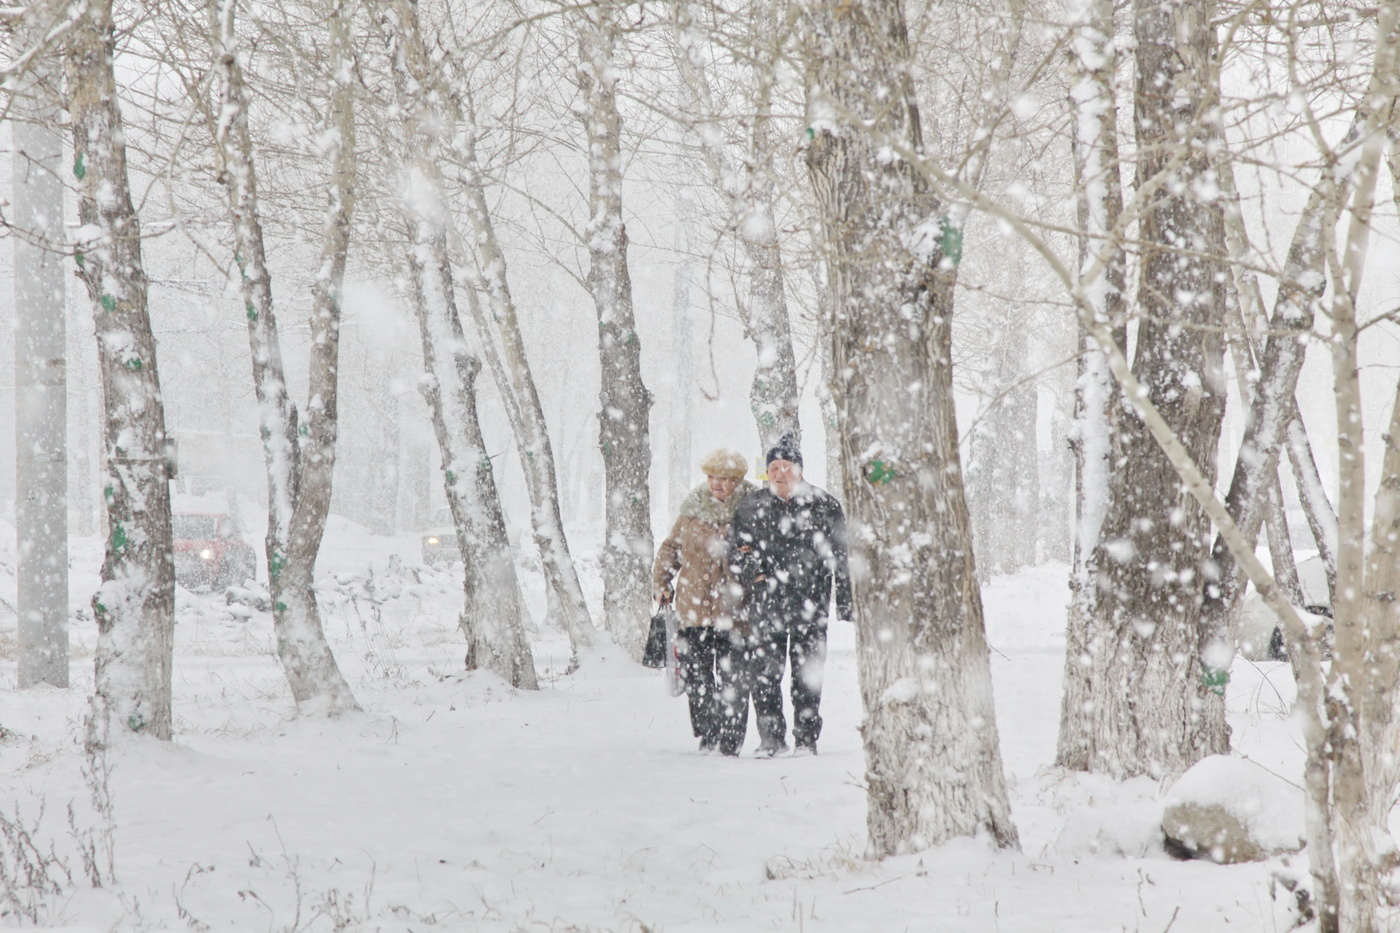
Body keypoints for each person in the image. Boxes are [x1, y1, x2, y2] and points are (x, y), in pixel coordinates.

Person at [728, 433, 852, 757]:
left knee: (807, 678)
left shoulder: (824, 504)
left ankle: (806, 741)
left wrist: (846, 602)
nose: (780, 473)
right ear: (766, 470)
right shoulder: (751, 506)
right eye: (774, 467)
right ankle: (771, 740)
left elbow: (841, 556)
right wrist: (754, 571)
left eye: (787, 466)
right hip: (765, 604)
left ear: (799, 469)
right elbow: (735, 550)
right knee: (765, 676)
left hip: (810, 604)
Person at [652, 449, 758, 756]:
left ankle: (730, 740)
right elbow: (671, 548)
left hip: (736, 610)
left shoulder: (752, 508)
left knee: (733, 680)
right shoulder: (692, 509)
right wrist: (661, 582)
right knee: (698, 677)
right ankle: (709, 731)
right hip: (693, 608)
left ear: (737, 481)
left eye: (724, 479)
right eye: (712, 477)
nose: (717, 484)